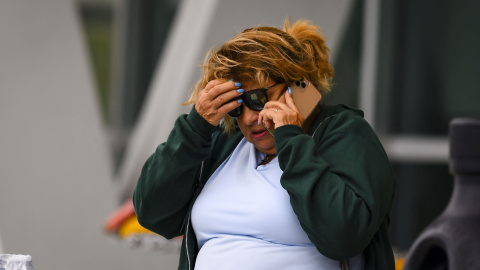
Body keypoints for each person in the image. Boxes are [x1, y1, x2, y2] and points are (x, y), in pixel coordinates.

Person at [133, 19, 396, 270]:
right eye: (236, 106)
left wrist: (291, 139)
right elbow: (153, 214)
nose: (248, 118)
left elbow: (343, 236)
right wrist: (196, 129)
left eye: (258, 99)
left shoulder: (344, 133)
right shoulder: (225, 144)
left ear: (300, 86)